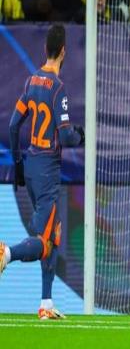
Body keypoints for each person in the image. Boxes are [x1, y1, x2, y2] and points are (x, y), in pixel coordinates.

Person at [0, 24, 84, 320]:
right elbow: (67, 136)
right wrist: (81, 135)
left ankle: (46, 303)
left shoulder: (32, 80)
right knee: (44, 239)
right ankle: (7, 253)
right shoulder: (58, 88)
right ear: (63, 52)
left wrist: (18, 164)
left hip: (31, 164)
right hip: (48, 169)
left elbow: (13, 125)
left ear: (45, 49)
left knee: (54, 235)